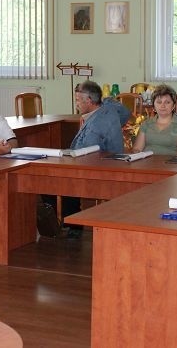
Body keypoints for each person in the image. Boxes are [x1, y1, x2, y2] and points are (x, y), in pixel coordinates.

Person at [43, 80, 130, 238]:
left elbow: (84, 153)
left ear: (89, 101)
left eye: (77, 100)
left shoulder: (97, 124)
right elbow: (126, 113)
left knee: (49, 180)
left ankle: (70, 227)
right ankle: (69, 224)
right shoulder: (109, 110)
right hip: (108, 162)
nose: (76, 104)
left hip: (99, 167)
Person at [132, 84, 177, 156]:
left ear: (173, 106)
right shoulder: (146, 124)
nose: (163, 106)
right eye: (159, 102)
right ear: (153, 106)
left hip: (171, 165)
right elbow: (137, 149)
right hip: (146, 164)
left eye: (167, 102)